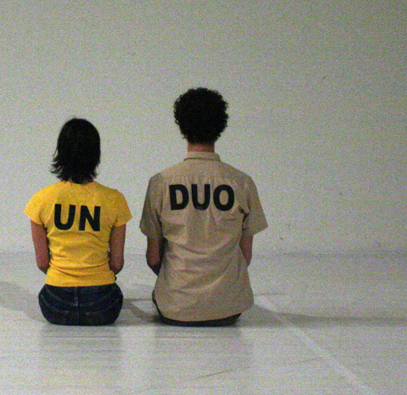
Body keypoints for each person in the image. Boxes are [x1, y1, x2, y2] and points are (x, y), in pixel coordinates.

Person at [140, 88, 267, 326]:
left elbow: (153, 258)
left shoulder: (160, 182)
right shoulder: (242, 182)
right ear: (221, 127)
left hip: (175, 307)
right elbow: (245, 256)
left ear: (181, 127)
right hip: (228, 308)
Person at [25, 118, 132, 325]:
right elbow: (116, 263)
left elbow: (42, 263)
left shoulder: (41, 199)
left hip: (56, 304)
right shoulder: (114, 199)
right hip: (102, 305)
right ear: (96, 155)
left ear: (60, 153)